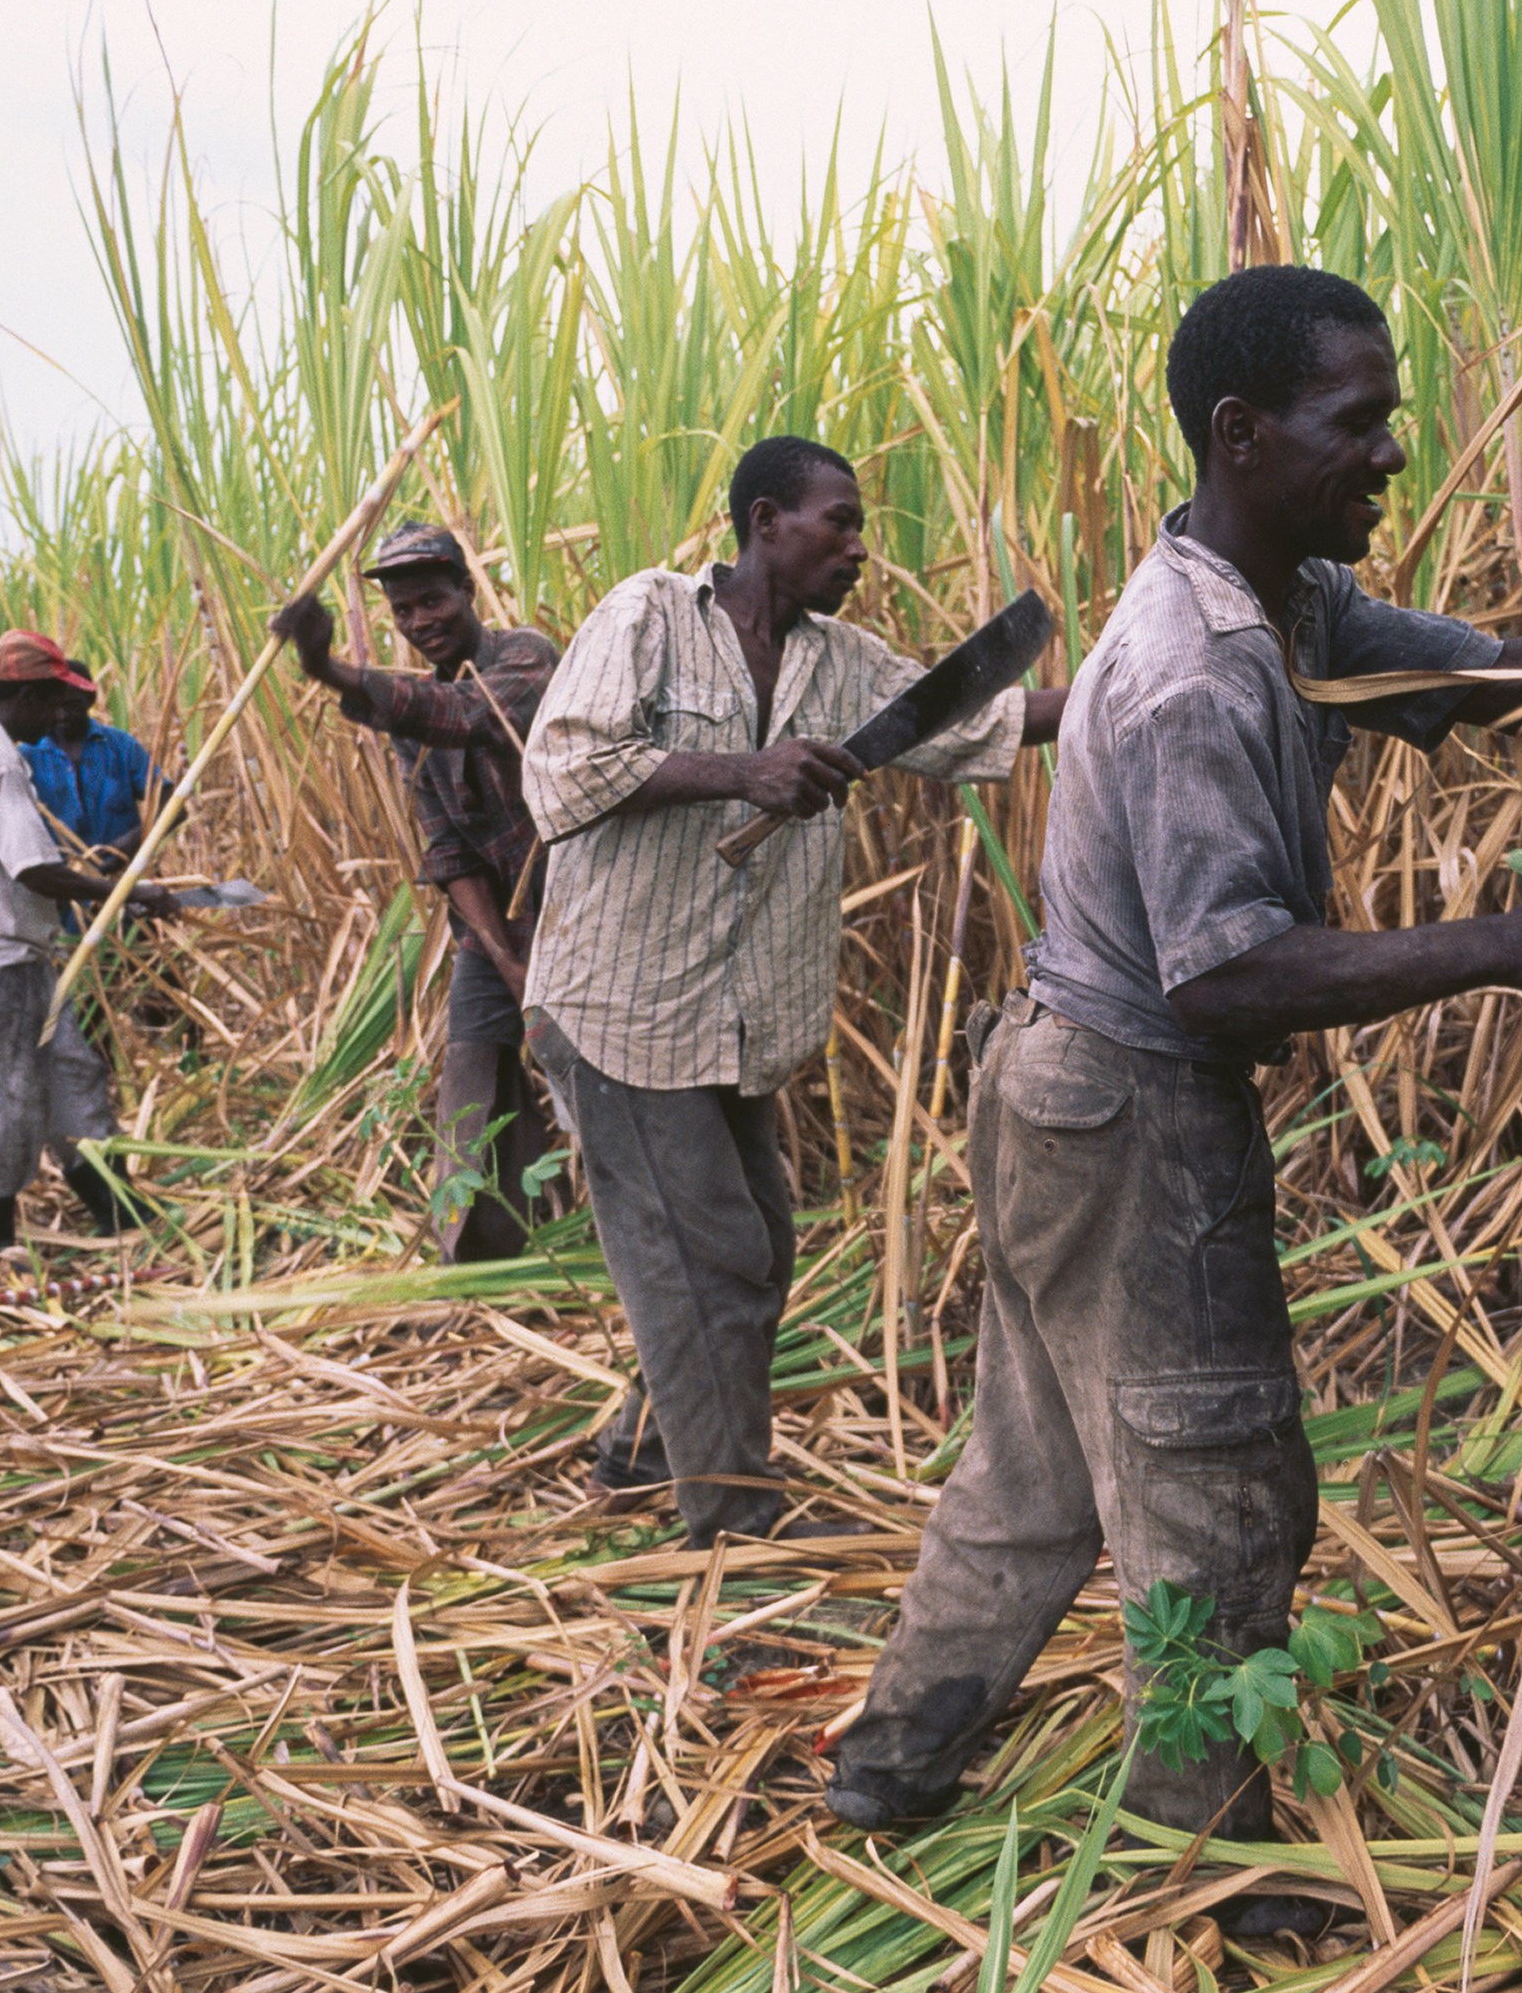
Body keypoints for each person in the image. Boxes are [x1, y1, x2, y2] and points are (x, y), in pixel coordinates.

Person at [829, 266, 1522, 1891]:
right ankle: (1199, 1864)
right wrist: (1505, 946)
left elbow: (1510, 672)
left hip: (1061, 1100)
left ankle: (890, 1768)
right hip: (1132, 1115)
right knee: (1221, 1493)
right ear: (1244, 435)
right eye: (1357, 423)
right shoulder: (1194, 671)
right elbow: (1223, 970)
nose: (1392, 454)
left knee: (1035, 1465)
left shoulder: (1289, 599)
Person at [518, 436, 1066, 1542]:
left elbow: (982, 722)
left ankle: (642, 1445)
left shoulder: (842, 660)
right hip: (619, 1002)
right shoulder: (649, 617)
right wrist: (741, 770)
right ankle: (727, 1519)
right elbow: (559, 772)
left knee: (753, 1244)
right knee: (709, 1252)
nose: (859, 548)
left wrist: (1138, 681)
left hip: (738, 1012)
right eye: (840, 522)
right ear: (766, 521)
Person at [272, 521, 560, 1262]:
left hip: (576, 914)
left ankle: (627, 1234)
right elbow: (448, 848)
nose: (419, 622)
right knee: (470, 1072)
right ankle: (479, 1254)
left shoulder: (528, 658)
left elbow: (470, 717)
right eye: (402, 613)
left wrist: (326, 668)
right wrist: (503, 960)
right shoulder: (409, 713)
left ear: (469, 591)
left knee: (586, 1075)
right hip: (497, 925)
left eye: (433, 600)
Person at [0, 630, 177, 1255]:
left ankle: (113, 1204)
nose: (57, 716)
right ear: (26, 695)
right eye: (51, 700)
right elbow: (33, 869)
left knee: (73, 1071)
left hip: (20, 950)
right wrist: (128, 892)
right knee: (12, 1096)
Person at [21, 678, 164, 869]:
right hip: (61, 888)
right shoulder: (26, 757)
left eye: (73, 705)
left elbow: (173, 804)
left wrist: (133, 841)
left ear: (90, 700)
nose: (63, 715)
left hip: (128, 879)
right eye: (55, 706)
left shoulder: (121, 746)